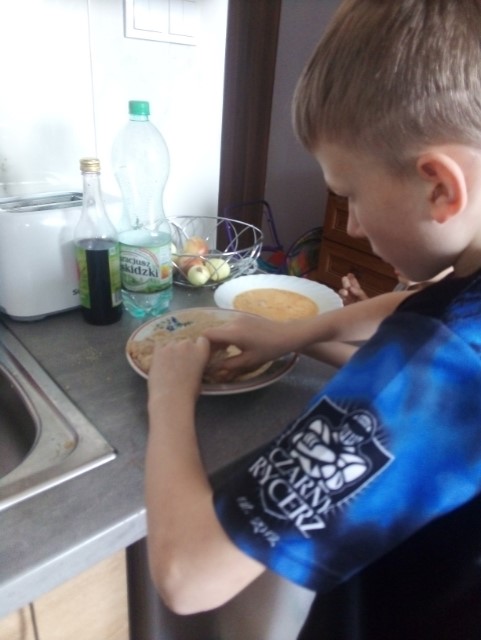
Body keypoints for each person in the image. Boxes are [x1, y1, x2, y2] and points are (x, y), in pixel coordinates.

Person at [145, 1, 481, 637]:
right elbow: (429, 304)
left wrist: (169, 395)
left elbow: (188, 574)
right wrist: (293, 333)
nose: (350, 225)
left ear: (440, 188)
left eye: (349, 194)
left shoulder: (443, 362)